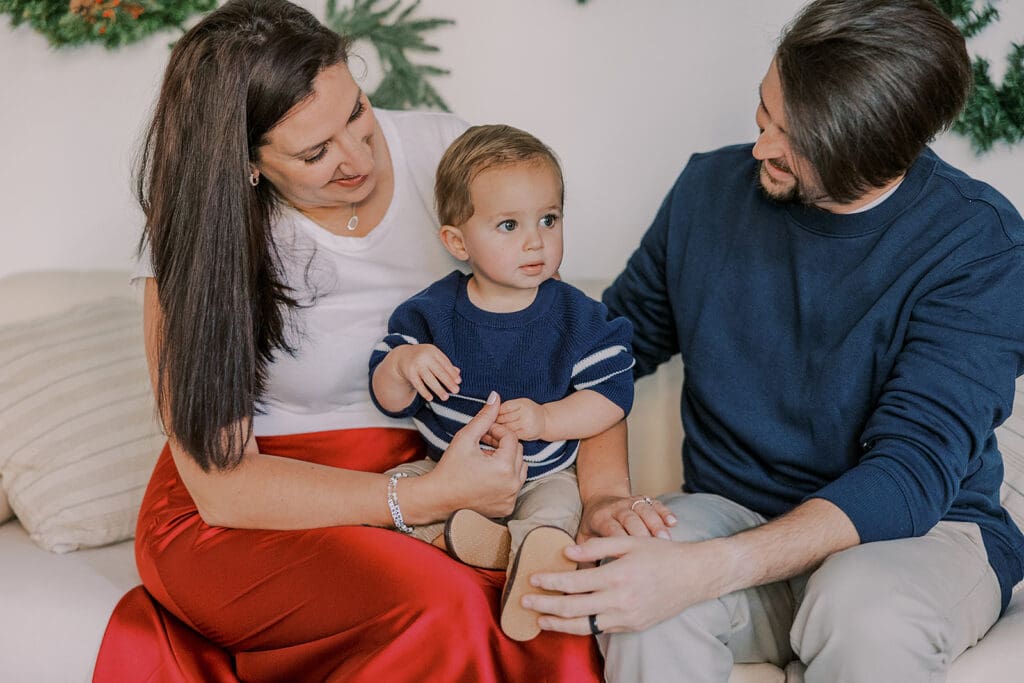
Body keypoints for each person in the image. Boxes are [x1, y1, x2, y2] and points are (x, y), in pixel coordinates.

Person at [91, 1, 660, 680]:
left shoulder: (454, 160)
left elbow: (567, 336)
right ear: (246, 163)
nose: (359, 157)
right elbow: (225, 488)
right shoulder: (199, 239)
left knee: (552, 612)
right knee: (439, 604)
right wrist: (420, 499)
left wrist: (601, 497)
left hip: (439, 473)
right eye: (315, 151)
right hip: (251, 512)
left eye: (357, 113)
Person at [523, 1, 1024, 681]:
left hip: (924, 536)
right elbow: (606, 356)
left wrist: (708, 569)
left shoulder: (978, 244)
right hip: (731, 511)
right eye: (765, 115)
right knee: (638, 598)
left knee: (861, 610)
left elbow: (910, 475)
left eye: (792, 140)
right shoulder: (707, 191)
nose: (760, 147)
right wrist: (608, 495)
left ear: (875, 154)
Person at [368, 124, 637, 641]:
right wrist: (404, 365)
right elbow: (388, 398)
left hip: (542, 475)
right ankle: (483, 545)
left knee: (556, 515)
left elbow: (611, 397)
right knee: (397, 493)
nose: (536, 240)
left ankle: (529, 564)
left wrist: (547, 419)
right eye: (509, 225)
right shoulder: (432, 316)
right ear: (457, 241)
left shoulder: (578, 318)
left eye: (548, 219)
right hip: (451, 470)